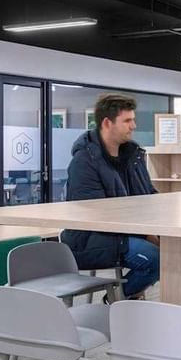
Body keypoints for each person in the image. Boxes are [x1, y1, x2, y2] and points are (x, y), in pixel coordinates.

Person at [60, 92, 160, 298]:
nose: (133, 126)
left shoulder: (133, 156)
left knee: (177, 251)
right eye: (127, 121)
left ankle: (129, 300)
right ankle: (117, 300)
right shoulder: (84, 162)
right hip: (92, 239)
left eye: (133, 120)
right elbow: (96, 213)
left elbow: (149, 196)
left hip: (127, 232)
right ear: (107, 123)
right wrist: (146, 234)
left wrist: (158, 226)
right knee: (155, 259)